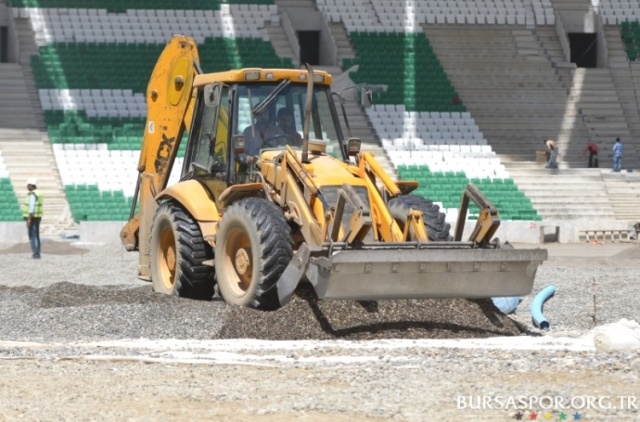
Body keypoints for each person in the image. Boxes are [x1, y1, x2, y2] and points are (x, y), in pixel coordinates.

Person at [22, 178, 43, 259]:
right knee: (36, 235)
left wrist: (29, 219)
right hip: (37, 217)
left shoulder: (32, 194)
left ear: (31, 185)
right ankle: (37, 252)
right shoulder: (38, 193)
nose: (27, 186)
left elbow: (31, 208)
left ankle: (36, 253)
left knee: (33, 235)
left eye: (28, 185)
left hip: (32, 217)